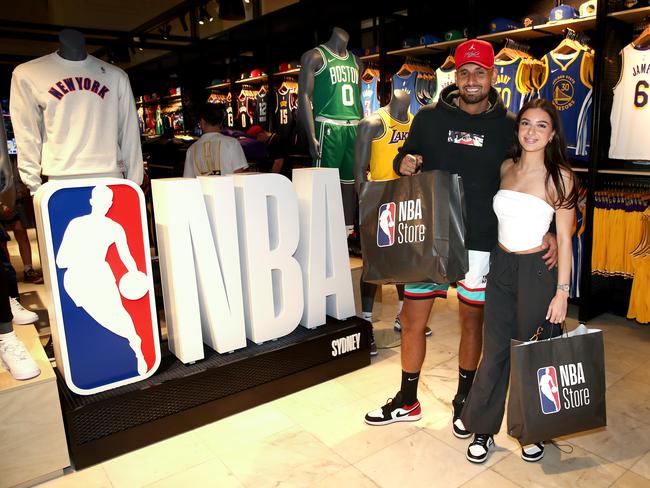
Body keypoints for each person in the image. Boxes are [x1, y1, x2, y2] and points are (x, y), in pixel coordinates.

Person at [364, 40, 557, 432]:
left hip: (481, 240)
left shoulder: (509, 127)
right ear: (456, 76)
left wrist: (550, 228)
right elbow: (408, 159)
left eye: (479, 72)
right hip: (428, 237)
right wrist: (406, 162)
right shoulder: (429, 118)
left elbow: (531, 179)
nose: (471, 80)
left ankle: (464, 399)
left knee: (473, 323)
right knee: (413, 318)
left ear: (492, 75)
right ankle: (407, 399)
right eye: (465, 72)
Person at [461, 98, 577, 463]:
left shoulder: (561, 178)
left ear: (553, 133)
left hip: (537, 273)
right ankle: (484, 427)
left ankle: (531, 429)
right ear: (518, 128)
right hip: (501, 266)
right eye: (526, 123)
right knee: (495, 349)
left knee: (531, 352)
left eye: (541, 125)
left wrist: (562, 293)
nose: (531, 131)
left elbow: (566, 242)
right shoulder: (506, 168)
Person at [353, 89, 431, 356]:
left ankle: (403, 314)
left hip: (406, 200)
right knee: (374, 265)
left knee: (404, 261)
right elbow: (359, 169)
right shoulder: (373, 123)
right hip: (379, 199)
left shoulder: (415, 123)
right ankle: (365, 322)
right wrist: (364, 207)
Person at [56, 185, 147, 374]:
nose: (104, 205)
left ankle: (136, 345)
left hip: (101, 275)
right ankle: (116, 350)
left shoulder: (114, 227)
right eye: (100, 200)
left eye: (107, 201)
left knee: (118, 312)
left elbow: (126, 255)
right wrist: (81, 256)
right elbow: (61, 259)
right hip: (78, 278)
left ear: (110, 203)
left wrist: (135, 274)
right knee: (99, 316)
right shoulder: (77, 224)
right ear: (92, 201)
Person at [183, 103, 248, 178]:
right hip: (228, 189)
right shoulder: (232, 143)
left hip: (203, 189)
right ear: (220, 122)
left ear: (202, 122)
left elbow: (188, 180)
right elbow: (239, 176)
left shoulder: (192, 150)